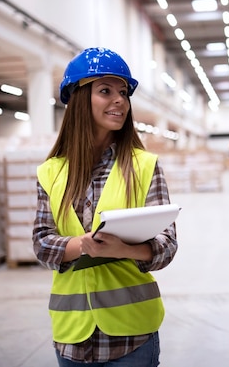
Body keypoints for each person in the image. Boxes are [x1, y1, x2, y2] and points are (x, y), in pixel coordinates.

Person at [32, 47, 178, 366]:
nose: (119, 100)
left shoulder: (144, 166)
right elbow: (42, 243)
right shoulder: (51, 171)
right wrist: (80, 245)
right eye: (105, 91)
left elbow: (167, 246)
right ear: (80, 99)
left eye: (123, 92)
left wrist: (123, 249)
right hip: (72, 335)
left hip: (132, 335)